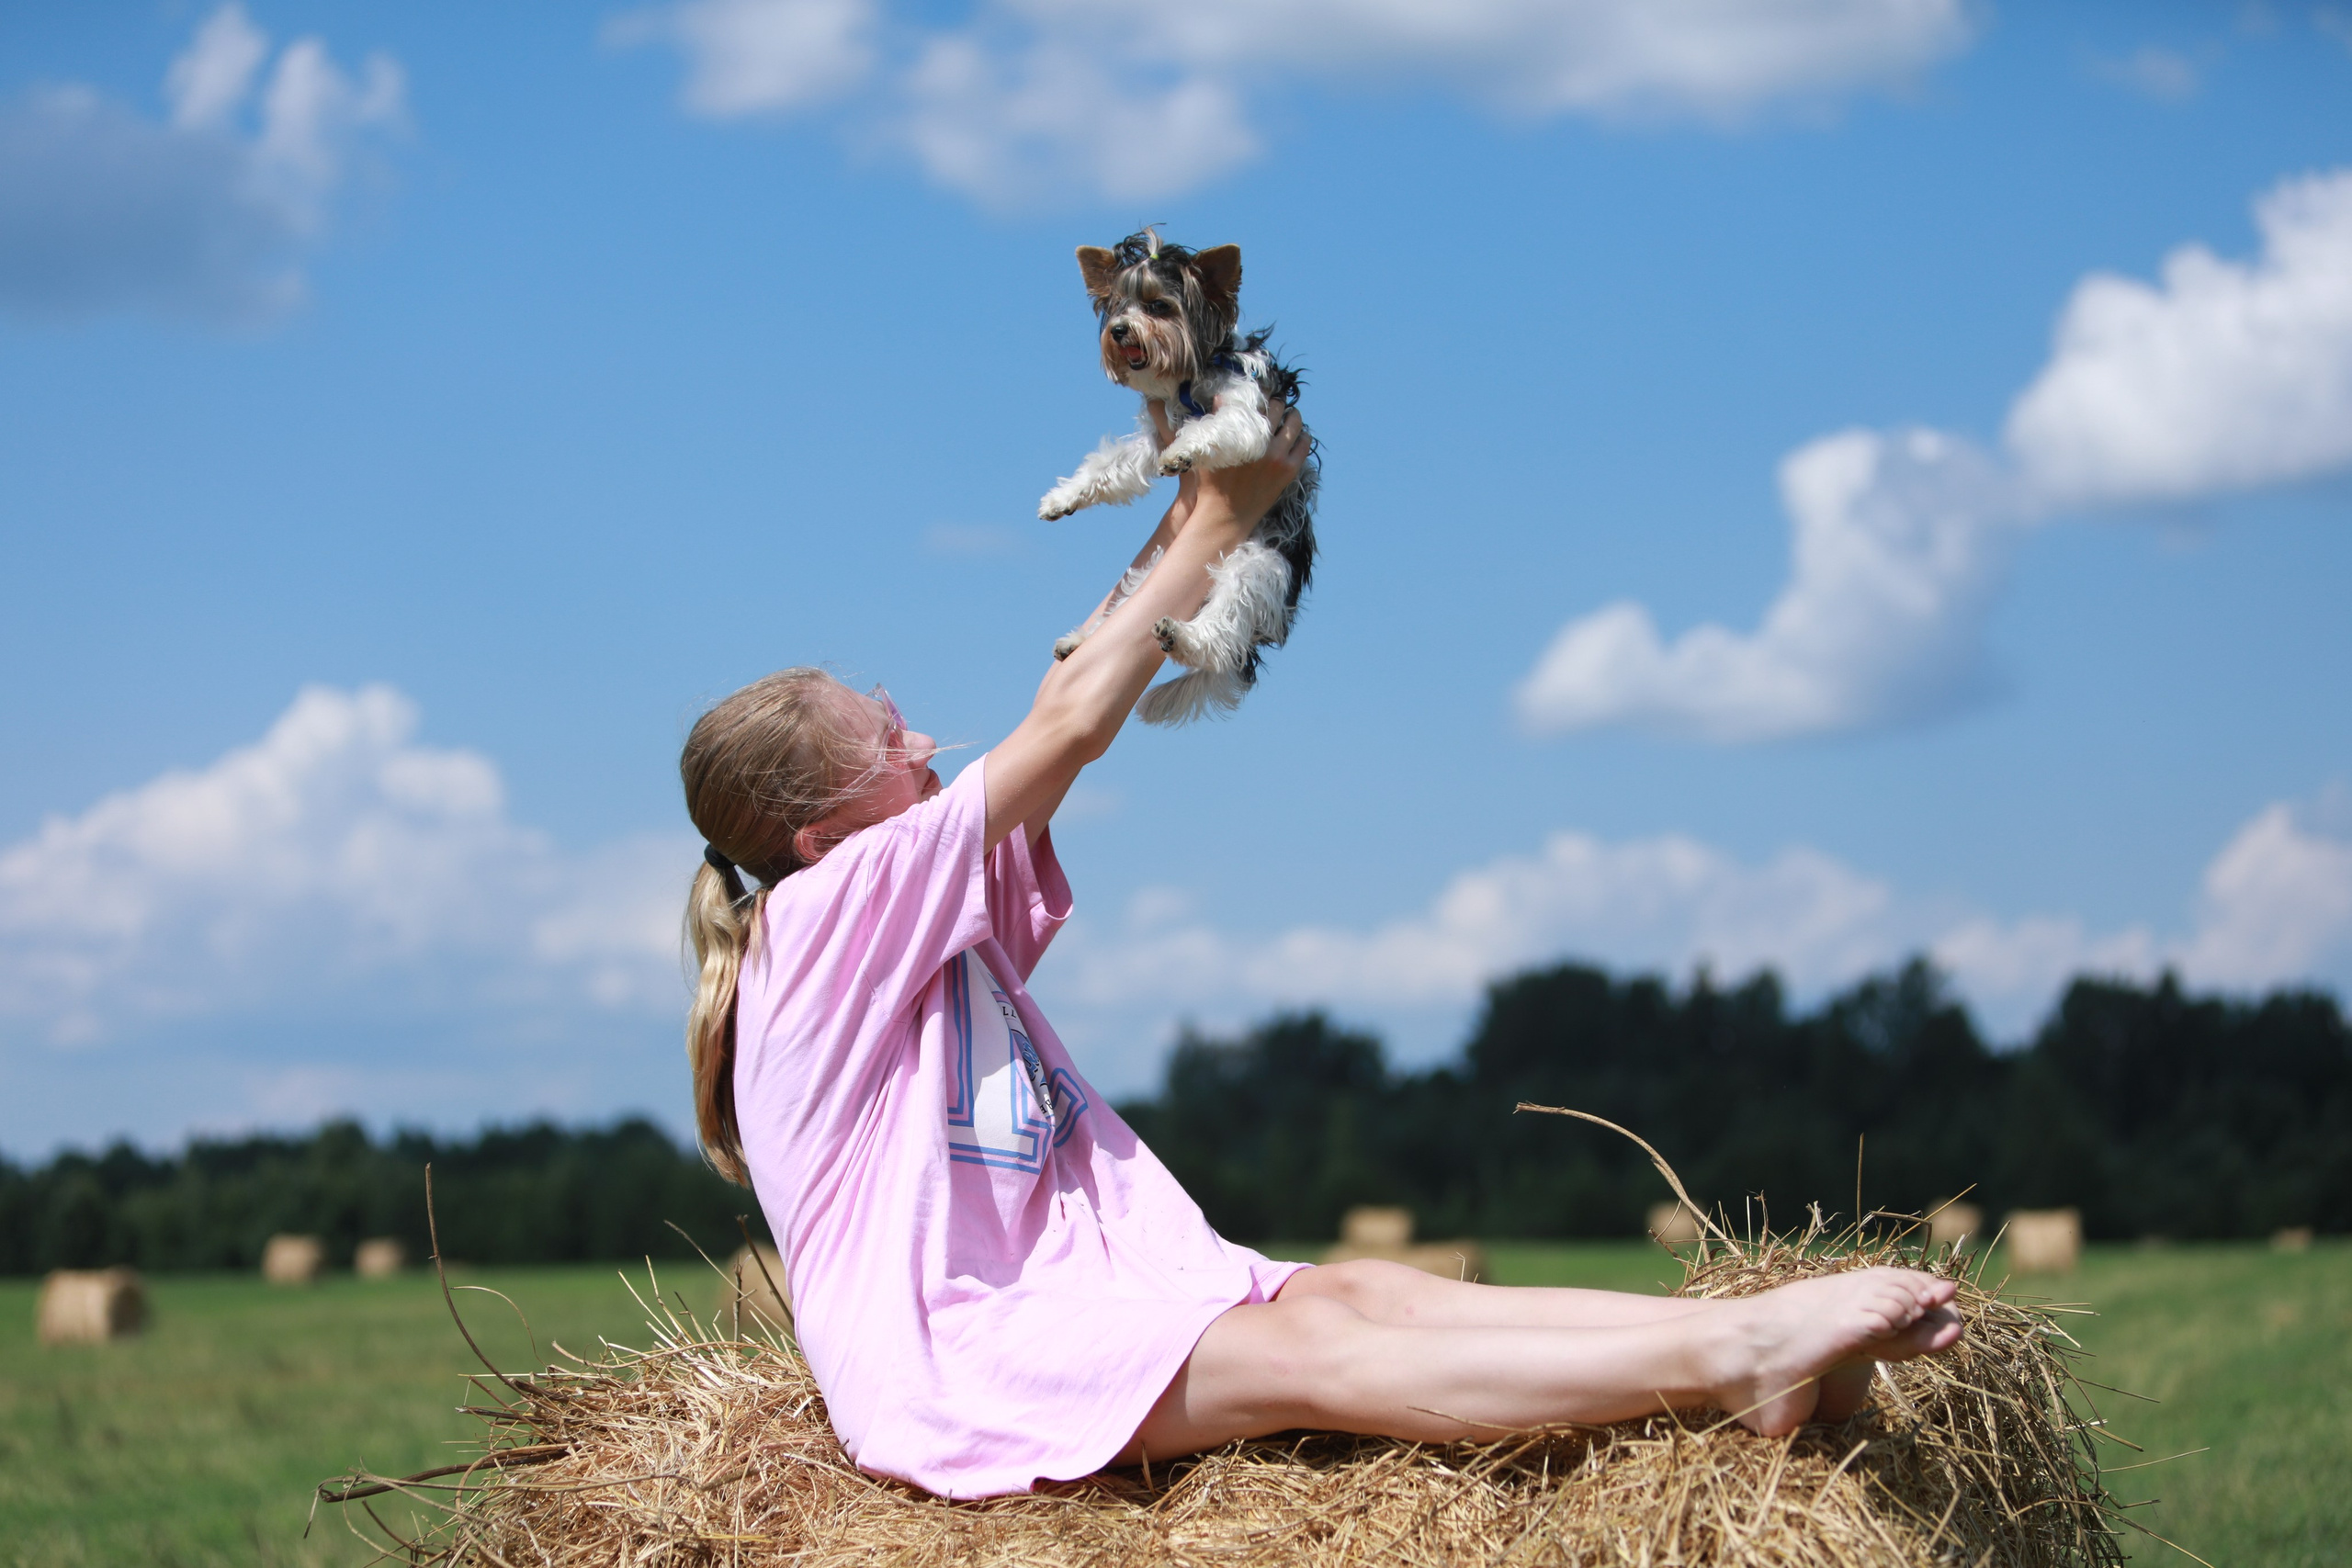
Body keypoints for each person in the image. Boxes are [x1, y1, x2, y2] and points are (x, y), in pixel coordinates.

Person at [678, 406, 1963, 1499]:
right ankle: (1737, 1366)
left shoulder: (902, 917)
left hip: (1094, 1287)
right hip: (967, 1350)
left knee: (1360, 1294)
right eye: (888, 736)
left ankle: (1739, 1331)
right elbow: (1064, 724)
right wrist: (1224, 518)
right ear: (817, 834)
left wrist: (1197, 505)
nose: (921, 741)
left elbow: (1066, 688)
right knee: (1310, 1367)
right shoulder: (823, 921)